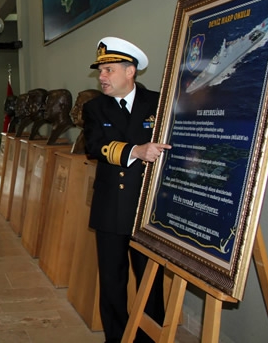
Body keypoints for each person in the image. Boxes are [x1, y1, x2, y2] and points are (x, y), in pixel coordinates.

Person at [82, 37, 171, 343]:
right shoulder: (94, 107)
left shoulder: (159, 103)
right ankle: (116, 338)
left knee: (151, 284)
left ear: (130, 71)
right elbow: (93, 146)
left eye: (108, 70)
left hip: (148, 209)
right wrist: (136, 151)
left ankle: (148, 338)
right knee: (112, 282)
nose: (101, 76)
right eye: (100, 71)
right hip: (110, 208)